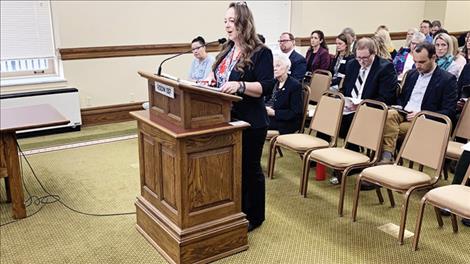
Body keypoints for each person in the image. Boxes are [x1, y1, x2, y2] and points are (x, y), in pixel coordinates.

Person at [208, 1, 274, 232]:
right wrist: (210, 82)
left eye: (232, 21)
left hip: (251, 121)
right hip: (226, 119)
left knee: (249, 168)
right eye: (225, 20)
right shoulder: (227, 50)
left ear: (244, 23)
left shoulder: (261, 52)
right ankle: (237, 208)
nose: (227, 25)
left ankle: (255, 216)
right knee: (233, 168)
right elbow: (220, 79)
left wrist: (240, 85)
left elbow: (266, 87)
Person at [330, 37, 397, 186]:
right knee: (330, 114)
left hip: (372, 109)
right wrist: (346, 101)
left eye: (365, 58)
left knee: (351, 120)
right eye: (359, 57)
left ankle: (350, 161)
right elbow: (347, 88)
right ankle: (324, 156)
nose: (362, 61)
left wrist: (362, 104)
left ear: (374, 53)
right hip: (352, 106)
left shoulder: (385, 67)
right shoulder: (353, 64)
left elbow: (386, 97)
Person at [381, 42, 458, 162]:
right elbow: (402, 97)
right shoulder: (412, 74)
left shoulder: (447, 79)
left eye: (422, 62)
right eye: (415, 61)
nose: (417, 66)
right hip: (404, 113)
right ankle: (387, 157)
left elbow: (449, 111)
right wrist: (399, 106)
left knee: (385, 129)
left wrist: (422, 114)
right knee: (388, 115)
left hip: (426, 120)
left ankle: (386, 158)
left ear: (433, 58)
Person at [265, 52, 303, 134]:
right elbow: (266, 100)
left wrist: (274, 113)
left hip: (286, 122)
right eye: (273, 66)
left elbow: (295, 113)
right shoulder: (273, 82)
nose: (274, 68)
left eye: (278, 66)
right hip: (269, 115)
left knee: (257, 125)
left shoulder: (295, 85)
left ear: (287, 68)